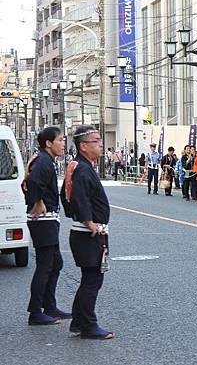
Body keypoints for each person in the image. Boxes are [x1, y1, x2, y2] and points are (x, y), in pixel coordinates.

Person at [60, 125, 113, 339]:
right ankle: (89, 326)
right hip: (88, 233)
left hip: (84, 232)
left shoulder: (79, 166)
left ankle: (78, 321)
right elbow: (78, 197)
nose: (101, 144)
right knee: (93, 279)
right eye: (96, 141)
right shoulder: (81, 168)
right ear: (83, 146)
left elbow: (65, 195)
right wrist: (89, 221)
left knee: (89, 278)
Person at [22, 127, 71, 326]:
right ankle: (35, 312)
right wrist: (38, 201)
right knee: (45, 264)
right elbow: (31, 181)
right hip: (42, 220)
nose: (63, 144)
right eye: (60, 140)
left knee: (55, 263)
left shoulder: (45, 159)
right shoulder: (43, 160)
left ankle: (49, 306)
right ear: (49, 143)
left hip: (48, 219)